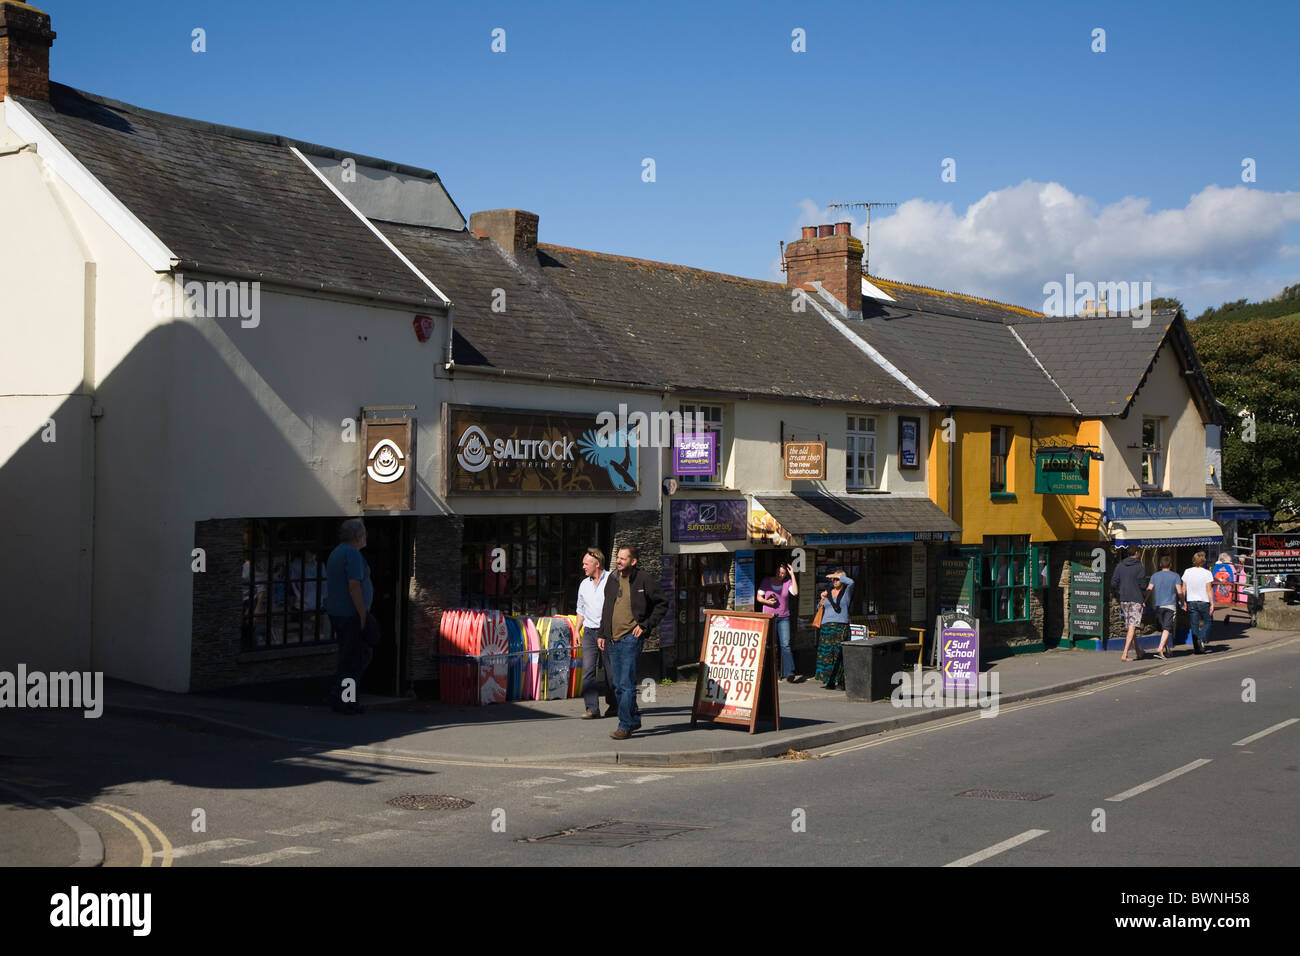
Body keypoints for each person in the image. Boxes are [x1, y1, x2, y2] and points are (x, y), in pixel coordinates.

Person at [598, 544, 667, 740]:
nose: (618, 561)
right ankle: (634, 718)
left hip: (630, 638)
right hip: (612, 638)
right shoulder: (612, 579)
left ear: (633, 561)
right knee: (618, 685)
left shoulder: (644, 579)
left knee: (625, 684)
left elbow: (662, 603)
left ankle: (625, 724)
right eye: (618, 558)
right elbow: (607, 608)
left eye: (623, 558)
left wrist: (645, 625)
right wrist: (602, 634)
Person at [325, 518, 374, 714]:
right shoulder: (352, 554)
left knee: (351, 657)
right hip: (350, 614)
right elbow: (354, 586)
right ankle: (345, 698)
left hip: (338, 613)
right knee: (355, 658)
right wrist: (362, 614)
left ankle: (342, 696)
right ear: (358, 536)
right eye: (364, 533)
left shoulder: (337, 552)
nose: (366, 537)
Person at [576, 547, 616, 719]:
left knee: (611, 672)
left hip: (607, 632)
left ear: (597, 564)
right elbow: (580, 609)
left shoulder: (611, 581)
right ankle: (592, 708)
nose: (583, 567)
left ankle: (613, 705)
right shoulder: (584, 584)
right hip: (589, 632)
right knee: (588, 671)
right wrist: (577, 630)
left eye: (586, 563)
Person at [757, 561, 801, 682]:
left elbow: (795, 592)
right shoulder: (766, 581)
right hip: (769, 617)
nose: (780, 575)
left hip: (783, 617)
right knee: (769, 644)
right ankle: (769, 672)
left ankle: (789, 672)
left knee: (785, 645)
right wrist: (767, 602)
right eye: (778, 572)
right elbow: (759, 597)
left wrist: (793, 575)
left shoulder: (787, 582)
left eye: (782, 573)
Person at [814, 571, 854, 688]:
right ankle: (829, 680)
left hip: (841, 627)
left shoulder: (846, 592)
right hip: (826, 627)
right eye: (833, 579)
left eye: (837, 579)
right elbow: (819, 608)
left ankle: (841, 680)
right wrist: (821, 600)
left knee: (839, 654)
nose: (834, 581)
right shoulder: (828, 593)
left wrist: (836, 576)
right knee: (826, 656)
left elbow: (851, 582)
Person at [1111, 545, 1149, 662]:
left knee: (1130, 627)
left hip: (1124, 599)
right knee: (1132, 626)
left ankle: (1138, 651)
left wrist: (1121, 589)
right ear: (1137, 553)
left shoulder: (1120, 566)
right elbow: (1143, 585)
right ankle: (1124, 654)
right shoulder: (1139, 567)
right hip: (1136, 599)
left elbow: (1113, 583)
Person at [1147, 554, 1183, 660]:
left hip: (1158, 606)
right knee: (1167, 628)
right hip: (1170, 605)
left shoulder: (1154, 576)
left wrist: (1144, 601)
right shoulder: (1175, 576)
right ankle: (1160, 648)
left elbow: (1149, 590)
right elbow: (1179, 591)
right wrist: (1183, 601)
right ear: (1170, 564)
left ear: (1160, 564)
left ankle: (1168, 650)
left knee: (1164, 629)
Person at [1180, 551, 1216, 655]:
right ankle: (1201, 638)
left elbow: (1183, 588)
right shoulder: (1207, 573)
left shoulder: (1187, 571)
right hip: (1204, 601)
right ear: (1203, 561)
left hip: (1191, 602)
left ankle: (1197, 648)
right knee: (1208, 621)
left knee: (1194, 625)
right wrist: (1212, 603)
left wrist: (1183, 602)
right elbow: (1209, 589)